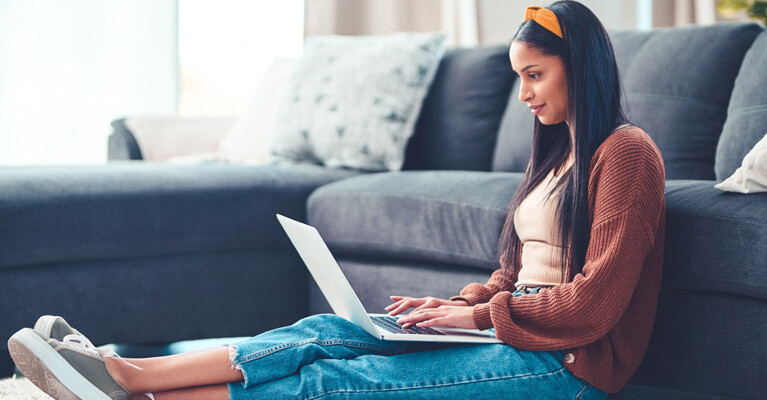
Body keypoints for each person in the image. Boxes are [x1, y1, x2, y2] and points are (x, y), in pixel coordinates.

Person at [7, 2, 666, 399]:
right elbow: (516, 276)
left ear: (578, 66)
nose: (522, 93)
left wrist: (478, 319)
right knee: (328, 333)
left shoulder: (626, 153)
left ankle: (124, 385)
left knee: (339, 383)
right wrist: (460, 304)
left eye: (533, 75)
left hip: (565, 369)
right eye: (517, 77)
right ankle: (130, 370)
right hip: (518, 332)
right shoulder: (555, 158)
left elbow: (595, 301)